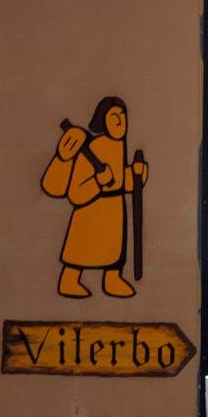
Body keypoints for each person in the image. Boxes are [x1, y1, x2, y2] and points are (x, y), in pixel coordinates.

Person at [41, 96, 147, 299]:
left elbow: (120, 181)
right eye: (113, 116)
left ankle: (112, 278)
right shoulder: (93, 148)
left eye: (122, 115)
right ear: (103, 121)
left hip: (114, 209)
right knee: (80, 251)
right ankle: (69, 280)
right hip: (91, 211)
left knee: (115, 250)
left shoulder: (119, 146)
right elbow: (75, 192)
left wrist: (136, 174)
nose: (119, 120)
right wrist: (98, 181)